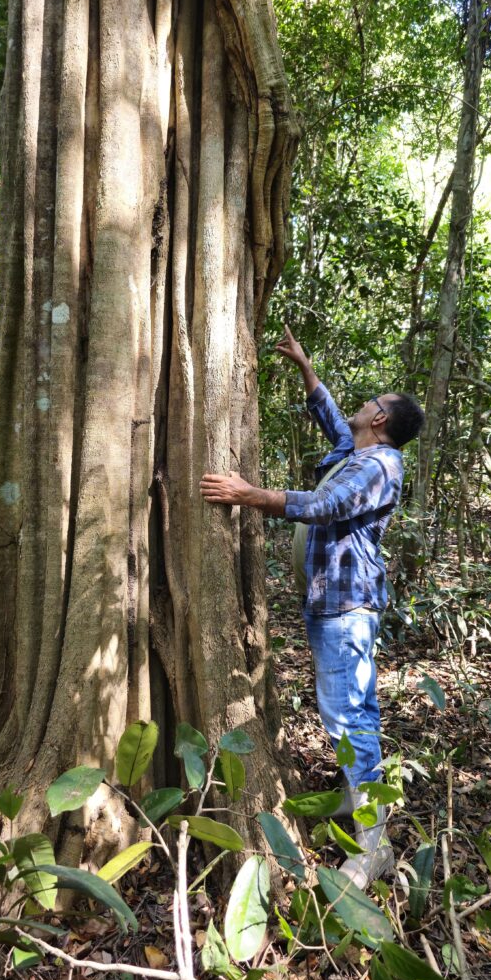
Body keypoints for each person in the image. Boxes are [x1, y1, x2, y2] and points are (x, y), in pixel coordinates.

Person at [199, 325, 425, 888]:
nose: (360, 406)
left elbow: (325, 505)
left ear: (380, 421)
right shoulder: (358, 450)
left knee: (350, 715)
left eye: (369, 404)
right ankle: (355, 804)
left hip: (348, 608)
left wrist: (247, 494)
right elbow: (332, 421)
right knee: (350, 711)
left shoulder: (379, 466)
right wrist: (305, 367)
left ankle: (374, 844)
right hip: (334, 603)